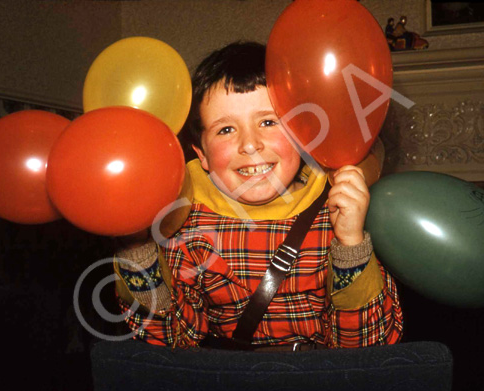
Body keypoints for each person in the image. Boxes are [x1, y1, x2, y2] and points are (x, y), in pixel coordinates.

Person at [113, 41, 402, 350]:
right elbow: (168, 344)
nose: (250, 145)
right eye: (226, 130)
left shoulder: (337, 214)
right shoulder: (187, 226)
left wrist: (350, 244)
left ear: (302, 133)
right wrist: (137, 248)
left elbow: (369, 348)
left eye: (268, 122)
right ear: (201, 154)